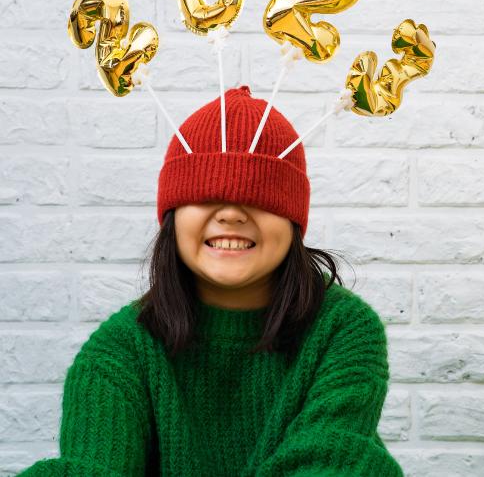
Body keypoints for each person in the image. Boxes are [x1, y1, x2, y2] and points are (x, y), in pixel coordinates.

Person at [18, 85, 404, 476]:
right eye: (207, 192)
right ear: (172, 217)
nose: (232, 213)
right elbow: (92, 467)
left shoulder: (342, 327)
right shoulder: (119, 352)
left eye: (259, 192)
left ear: (293, 220)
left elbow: (330, 463)